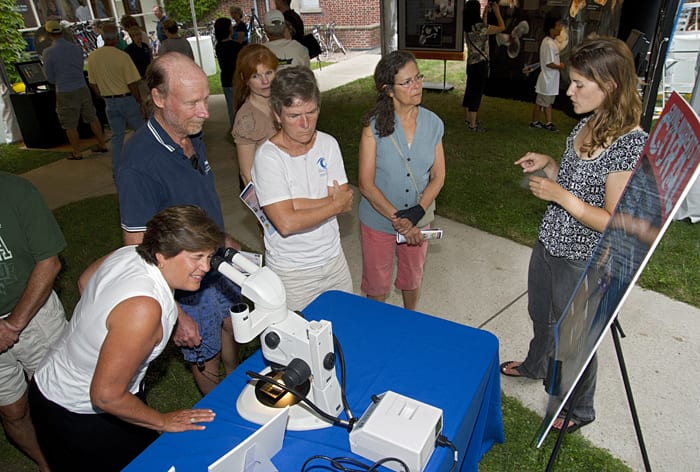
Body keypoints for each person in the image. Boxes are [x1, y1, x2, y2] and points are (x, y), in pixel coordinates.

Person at [502, 37, 648, 433]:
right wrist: (550, 165)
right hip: (550, 241)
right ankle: (535, 366)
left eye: (580, 83)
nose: (569, 91)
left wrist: (560, 196)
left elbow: (613, 221)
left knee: (574, 338)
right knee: (540, 314)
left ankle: (580, 408)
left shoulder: (629, 145)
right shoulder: (589, 122)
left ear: (611, 86)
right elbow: (576, 179)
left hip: (582, 258)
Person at [29, 205, 221, 471]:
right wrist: (163, 421)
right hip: (77, 412)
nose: (206, 267)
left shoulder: (129, 253)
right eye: (197, 257)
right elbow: (106, 396)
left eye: (209, 256)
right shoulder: (144, 311)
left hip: (55, 382)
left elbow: (85, 282)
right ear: (162, 255)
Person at [115, 52, 243, 395]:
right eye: (193, 102)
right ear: (158, 98)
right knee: (205, 352)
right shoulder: (138, 165)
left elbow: (197, 197)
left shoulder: (191, 133)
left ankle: (234, 385)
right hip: (184, 282)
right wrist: (174, 314)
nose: (205, 111)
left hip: (214, 260)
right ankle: (220, 408)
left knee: (230, 326)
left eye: (205, 98)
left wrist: (223, 238)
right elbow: (136, 249)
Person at [251, 66, 354, 311]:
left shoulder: (328, 144)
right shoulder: (268, 158)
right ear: (277, 114)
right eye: (295, 115)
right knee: (301, 344)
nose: (306, 123)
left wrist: (294, 204)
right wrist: (332, 205)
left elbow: (345, 200)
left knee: (348, 328)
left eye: (311, 112)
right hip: (293, 272)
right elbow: (286, 224)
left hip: (334, 260)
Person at [358, 51, 445, 311]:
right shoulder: (372, 127)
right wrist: (400, 221)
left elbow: (438, 176)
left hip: (418, 221)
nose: (416, 86)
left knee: (412, 279)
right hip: (379, 221)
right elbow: (365, 184)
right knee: (377, 286)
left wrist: (418, 212)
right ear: (388, 90)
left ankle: (411, 323)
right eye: (406, 82)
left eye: (417, 77)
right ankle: (377, 329)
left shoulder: (433, 124)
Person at [0, 172, 67, 472]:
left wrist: (12, 326)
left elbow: (49, 262)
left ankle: (80, 456)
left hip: (34, 315)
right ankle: (48, 464)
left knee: (63, 400)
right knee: (12, 412)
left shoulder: (15, 191)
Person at [42, 20, 108, 160]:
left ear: (49, 34)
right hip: (81, 86)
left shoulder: (48, 52)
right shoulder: (75, 48)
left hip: (64, 90)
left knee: (69, 123)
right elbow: (80, 66)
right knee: (92, 116)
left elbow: (49, 77)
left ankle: (77, 152)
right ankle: (102, 144)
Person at [87, 22, 146, 175]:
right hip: (126, 98)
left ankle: (117, 168)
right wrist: (139, 101)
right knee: (141, 132)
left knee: (117, 135)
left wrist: (103, 95)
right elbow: (132, 82)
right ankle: (148, 164)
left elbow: (92, 83)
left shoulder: (93, 57)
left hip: (109, 101)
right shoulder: (122, 56)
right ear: (116, 38)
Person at [231, 44, 279, 190]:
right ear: (245, 79)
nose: (265, 81)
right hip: (271, 193)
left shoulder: (285, 102)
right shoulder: (247, 120)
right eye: (255, 76)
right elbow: (246, 175)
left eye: (268, 73)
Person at [462, 0, 504, 132]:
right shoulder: (481, 28)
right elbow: (502, 27)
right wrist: (497, 13)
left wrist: (485, 15)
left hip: (471, 63)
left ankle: (469, 119)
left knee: (470, 90)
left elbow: (482, 30)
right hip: (481, 64)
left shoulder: (468, 27)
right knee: (476, 93)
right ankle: (473, 125)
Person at [530, 17, 564, 132]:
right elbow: (549, 63)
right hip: (547, 80)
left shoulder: (550, 42)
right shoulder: (549, 43)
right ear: (551, 29)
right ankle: (548, 123)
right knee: (546, 103)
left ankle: (535, 121)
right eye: (558, 25)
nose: (560, 28)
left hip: (549, 80)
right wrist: (560, 66)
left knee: (541, 102)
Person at [214, 17, 243, 129]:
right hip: (236, 80)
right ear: (228, 29)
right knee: (240, 106)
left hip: (226, 80)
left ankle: (234, 128)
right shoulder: (236, 46)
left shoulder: (218, 46)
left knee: (231, 107)